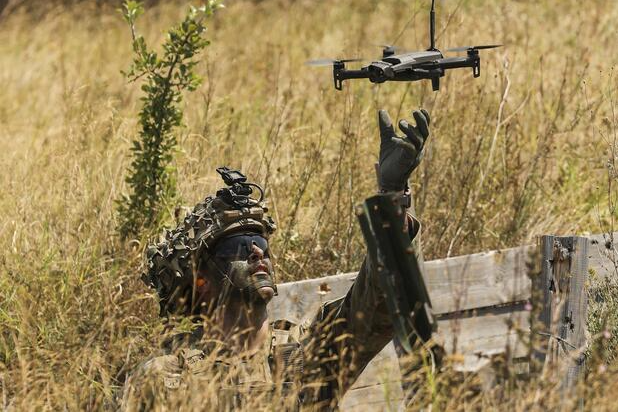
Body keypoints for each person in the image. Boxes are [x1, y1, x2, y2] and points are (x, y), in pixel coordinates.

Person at [120, 108, 432, 411]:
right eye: (239, 247)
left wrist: (393, 197)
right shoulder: (169, 378)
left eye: (260, 243)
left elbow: (382, 302)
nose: (257, 253)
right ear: (201, 282)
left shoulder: (308, 351)